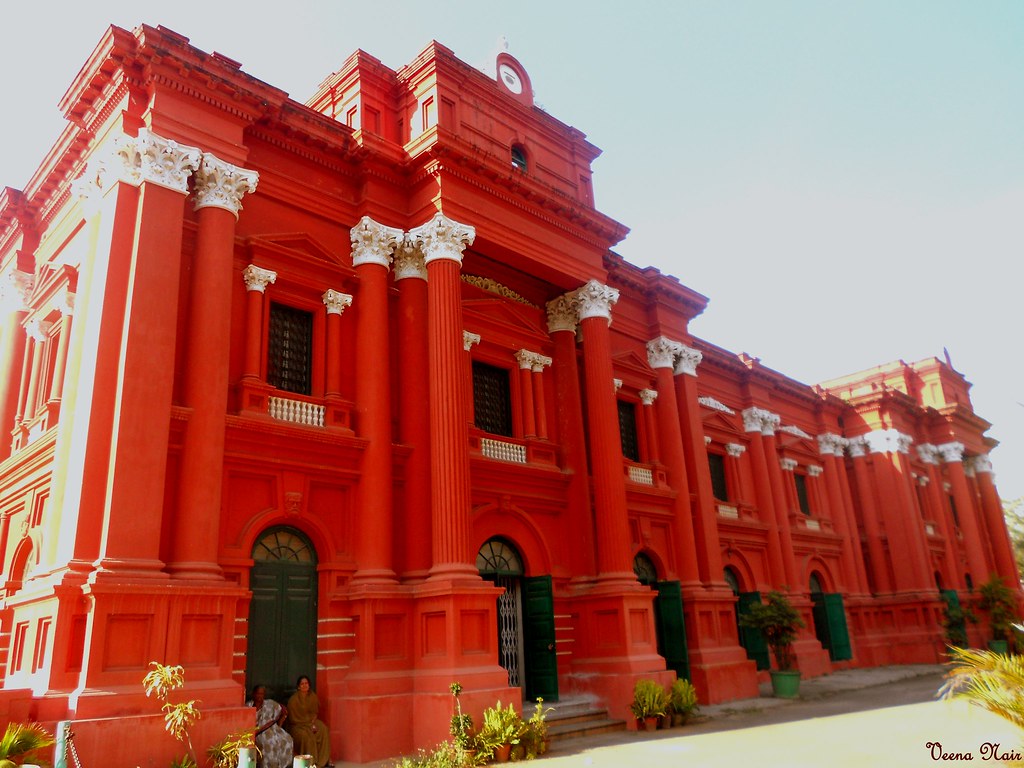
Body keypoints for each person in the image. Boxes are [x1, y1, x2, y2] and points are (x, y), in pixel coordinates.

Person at [286, 675, 332, 768]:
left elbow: (315, 713)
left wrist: (312, 724)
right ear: (298, 686)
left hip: (311, 722)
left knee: (323, 729)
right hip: (297, 725)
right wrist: (307, 725)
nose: (304, 685)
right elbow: (292, 719)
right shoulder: (293, 700)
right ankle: (310, 762)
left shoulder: (312, 696)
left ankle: (324, 760)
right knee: (307, 737)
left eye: (306, 683)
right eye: (302, 684)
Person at [250, 685, 294, 768]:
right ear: (254, 694)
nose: (260, 696)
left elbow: (283, 710)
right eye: (258, 693)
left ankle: (282, 765)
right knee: (269, 743)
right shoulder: (249, 706)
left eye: (262, 694)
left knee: (288, 739)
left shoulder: (269, 704)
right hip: (258, 732)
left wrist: (279, 725)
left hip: (273, 729)